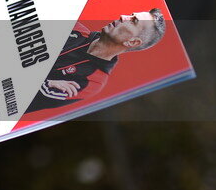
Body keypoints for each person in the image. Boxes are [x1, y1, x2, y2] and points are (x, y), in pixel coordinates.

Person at [27, 9, 166, 113]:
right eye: (130, 14)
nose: (123, 17)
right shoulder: (75, 28)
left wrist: (42, 83)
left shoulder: (93, 82)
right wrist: (47, 82)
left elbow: (29, 97)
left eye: (133, 20)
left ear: (132, 42)